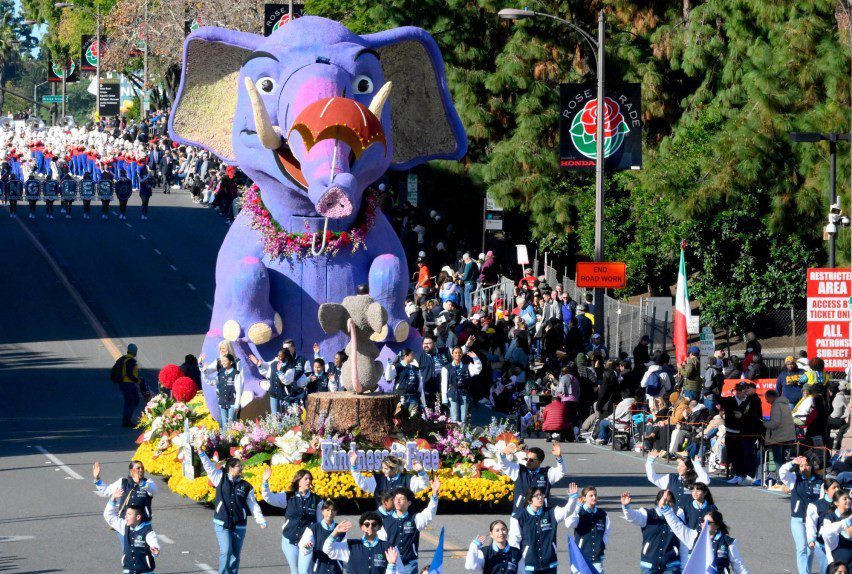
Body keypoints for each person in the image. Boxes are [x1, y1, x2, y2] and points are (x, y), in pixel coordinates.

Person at [198, 452, 267, 573]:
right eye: (239, 466)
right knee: (226, 551)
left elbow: (253, 504)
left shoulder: (246, 486)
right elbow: (208, 466)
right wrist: (201, 453)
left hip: (239, 524)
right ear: (230, 468)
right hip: (222, 522)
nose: (241, 468)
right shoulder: (220, 477)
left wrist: (260, 519)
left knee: (235, 555)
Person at [261, 466, 323, 574]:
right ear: (298, 481)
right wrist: (265, 482)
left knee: (305, 571)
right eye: (306, 479)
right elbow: (269, 498)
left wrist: (317, 540)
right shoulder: (288, 496)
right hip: (289, 540)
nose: (309, 481)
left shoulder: (317, 500)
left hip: (307, 542)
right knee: (295, 571)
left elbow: (319, 523)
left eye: (310, 479)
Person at [508, 484, 578, 574]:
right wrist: (513, 560)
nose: (540, 497)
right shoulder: (518, 517)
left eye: (541, 495)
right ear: (529, 500)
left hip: (550, 563)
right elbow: (514, 540)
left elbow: (567, 511)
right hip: (528, 565)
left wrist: (573, 498)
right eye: (537, 496)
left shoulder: (551, 512)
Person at [379, 478, 441, 574]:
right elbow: (381, 544)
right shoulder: (385, 522)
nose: (398, 501)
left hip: (410, 564)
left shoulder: (415, 518)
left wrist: (434, 494)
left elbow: (430, 512)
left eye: (401, 499)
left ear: (409, 502)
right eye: (395, 499)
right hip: (391, 564)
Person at [661, 508, 749, 573]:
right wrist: (666, 510)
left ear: (717, 525)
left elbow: (738, 565)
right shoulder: (693, 536)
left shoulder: (728, 542)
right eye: (703, 521)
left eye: (708, 523)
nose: (704, 524)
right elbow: (678, 527)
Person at [621, 490, 682, 574]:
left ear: (673, 503)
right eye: (664, 500)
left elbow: (685, 540)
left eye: (670, 501)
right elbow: (633, 517)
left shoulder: (677, 520)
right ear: (657, 502)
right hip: (649, 565)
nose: (666, 503)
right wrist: (626, 507)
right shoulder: (647, 515)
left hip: (672, 565)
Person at [781, 456, 823, 574]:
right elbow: (782, 472)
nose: (804, 467)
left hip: (813, 521)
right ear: (798, 468)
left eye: (806, 465)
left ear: (811, 466)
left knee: (810, 549)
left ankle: (806, 571)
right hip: (797, 520)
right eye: (801, 465)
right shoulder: (794, 479)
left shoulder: (820, 481)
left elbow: (822, 500)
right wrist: (793, 462)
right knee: (801, 548)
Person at [494, 443, 567, 509]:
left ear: (539, 462)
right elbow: (504, 464)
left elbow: (561, 472)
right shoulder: (518, 470)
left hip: (542, 514)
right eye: (526, 459)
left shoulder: (547, 473)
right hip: (521, 513)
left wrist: (559, 458)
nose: (527, 462)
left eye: (531, 460)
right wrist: (503, 454)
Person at [322, 512, 400, 574]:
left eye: (374, 524)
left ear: (379, 527)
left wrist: (392, 565)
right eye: (366, 524)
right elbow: (327, 549)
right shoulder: (351, 545)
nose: (370, 527)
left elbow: (400, 571)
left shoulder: (389, 547)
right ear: (361, 527)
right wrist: (335, 532)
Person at [103, 490, 160, 574]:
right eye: (126, 514)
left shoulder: (148, 532)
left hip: (145, 572)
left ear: (138, 517)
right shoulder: (124, 527)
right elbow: (109, 516)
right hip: (128, 571)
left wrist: (155, 550)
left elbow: (154, 544)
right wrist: (113, 498)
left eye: (129, 514)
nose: (125, 516)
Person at [348, 451, 429, 508]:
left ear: (394, 469)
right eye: (383, 468)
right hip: (382, 522)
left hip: (403, 520)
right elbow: (362, 483)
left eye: (386, 469)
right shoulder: (378, 479)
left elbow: (423, 484)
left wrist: (421, 471)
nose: (383, 470)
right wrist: (353, 466)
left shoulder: (407, 479)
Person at [719, 381, 762, 485]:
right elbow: (718, 400)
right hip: (735, 432)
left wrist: (742, 416)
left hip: (747, 433)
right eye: (738, 390)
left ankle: (748, 476)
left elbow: (755, 416)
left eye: (744, 389)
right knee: (735, 455)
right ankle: (738, 474)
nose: (742, 392)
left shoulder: (754, 400)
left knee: (747, 455)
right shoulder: (738, 400)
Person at [93, 460, 158, 523]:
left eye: (142, 468)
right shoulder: (123, 482)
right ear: (131, 471)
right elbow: (106, 491)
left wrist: (141, 483)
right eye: (138, 468)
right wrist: (97, 478)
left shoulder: (148, 483)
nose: (141, 470)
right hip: (125, 523)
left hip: (142, 524)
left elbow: (154, 490)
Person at [566, 485, 611, 573]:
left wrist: (600, 545)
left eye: (595, 495)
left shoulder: (603, 514)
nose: (594, 497)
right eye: (591, 495)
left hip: (597, 559)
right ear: (584, 498)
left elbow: (606, 533)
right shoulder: (579, 512)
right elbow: (569, 523)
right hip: (581, 558)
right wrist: (577, 508)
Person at [645, 450, 709, 511]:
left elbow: (706, 481)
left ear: (688, 469)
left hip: (689, 516)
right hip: (673, 517)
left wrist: (697, 464)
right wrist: (650, 461)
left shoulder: (695, 480)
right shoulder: (670, 478)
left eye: (682, 466)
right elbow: (652, 478)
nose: (679, 468)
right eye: (678, 465)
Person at [441, 345, 483, 423]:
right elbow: (444, 384)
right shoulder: (446, 368)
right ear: (452, 354)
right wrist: (444, 398)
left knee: (464, 418)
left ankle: (462, 434)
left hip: (464, 394)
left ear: (462, 354)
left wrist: (475, 358)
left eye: (460, 353)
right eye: (456, 353)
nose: (458, 354)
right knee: (454, 418)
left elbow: (478, 369)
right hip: (452, 393)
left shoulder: (467, 366)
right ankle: (454, 434)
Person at [200, 353, 243, 430]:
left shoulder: (236, 374)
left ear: (231, 362)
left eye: (225, 361)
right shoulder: (220, 373)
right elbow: (211, 382)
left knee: (231, 425)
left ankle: (232, 440)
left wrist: (237, 404)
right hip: (222, 402)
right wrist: (204, 373)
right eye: (222, 361)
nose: (222, 362)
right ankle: (225, 441)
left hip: (232, 403)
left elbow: (238, 389)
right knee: (224, 424)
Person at [299, 498, 342, 574]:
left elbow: (345, 550)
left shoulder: (341, 529)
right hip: (319, 569)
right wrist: (307, 547)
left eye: (333, 510)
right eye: (327, 510)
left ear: (336, 512)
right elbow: (303, 548)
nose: (330, 513)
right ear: (322, 511)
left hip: (336, 569)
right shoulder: (313, 528)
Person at [807, 478, 841, 573]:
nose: (837, 490)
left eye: (838, 487)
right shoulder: (816, 505)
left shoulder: (844, 503)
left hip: (839, 543)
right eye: (834, 488)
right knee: (827, 566)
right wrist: (811, 539)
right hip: (821, 544)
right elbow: (811, 524)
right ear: (826, 490)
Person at [116, 343, 148, 427]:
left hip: (124, 383)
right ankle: (127, 420)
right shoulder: (130, 361)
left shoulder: (124, 359)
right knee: (133, 400)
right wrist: (137, 380)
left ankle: (126, 419)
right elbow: (129, 373)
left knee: (130, 401)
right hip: (128, 384)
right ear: (134, 351)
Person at [820, 488, 852, 567]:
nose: (848, 500)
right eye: (845, 499)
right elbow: (828, 537)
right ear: (836, 502)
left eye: (849, 498)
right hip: (836, 559)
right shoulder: (829, 518)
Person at [392, 348, 425, 417]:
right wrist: (390, 367)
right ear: (406, 356)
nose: (413, 356)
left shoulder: (415, 368)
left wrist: (420, 393)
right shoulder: (397, 367)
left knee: (413, 416)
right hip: (402, 396)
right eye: (412, 354)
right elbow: (389, 378)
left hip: (414, 395)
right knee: (401, 415)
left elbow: (419, 382)